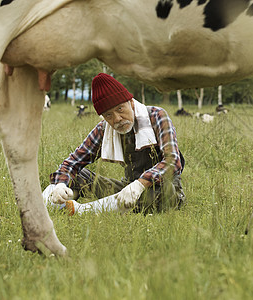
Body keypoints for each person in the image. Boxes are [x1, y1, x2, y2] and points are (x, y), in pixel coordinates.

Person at [42, 73, 185, 215]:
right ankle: (46, 202)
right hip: (127, 188)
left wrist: (140, 184)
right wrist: (60, 184)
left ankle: (82, 211)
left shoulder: (156, 116)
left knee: (160, 193)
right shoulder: (104, 128)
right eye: (108, 115)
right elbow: (72, 162)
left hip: (163, 189)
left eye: (120, 109)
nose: (117, 119)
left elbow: (173, 161)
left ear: (131, 103)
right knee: (78, 176)